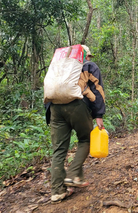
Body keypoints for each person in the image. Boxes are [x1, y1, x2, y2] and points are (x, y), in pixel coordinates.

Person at [46, 45, 106, 202]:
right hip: (77, 105)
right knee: (86, 139)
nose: (89, 59)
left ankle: (57, 191)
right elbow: (97, 89)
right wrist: (99, 115)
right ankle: (73, 175)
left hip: (54, 107)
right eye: (89, 56)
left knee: (59, 149)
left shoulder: (59, 68)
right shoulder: (89, 66)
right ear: (85, 56)